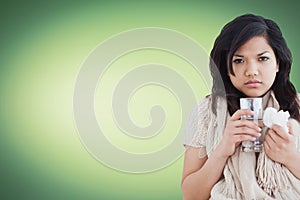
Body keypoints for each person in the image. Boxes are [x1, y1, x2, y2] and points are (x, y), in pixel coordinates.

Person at [181, 14, 300, 200]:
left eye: (262, 59)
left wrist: (291, 157)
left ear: (278, 62)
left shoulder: (297, 107)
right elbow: (190, 196)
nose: (251, 70)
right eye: (238, 60)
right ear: (226, 69)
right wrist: (222, 150)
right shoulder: (207, 111)